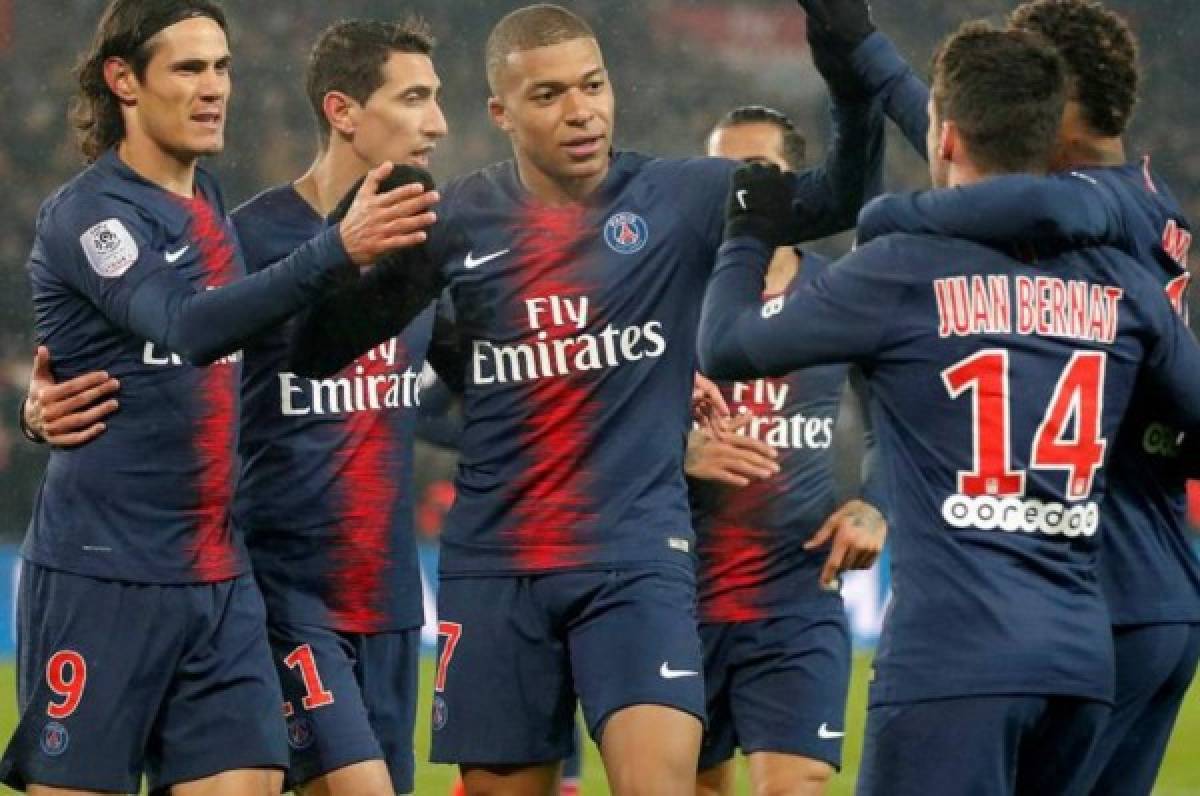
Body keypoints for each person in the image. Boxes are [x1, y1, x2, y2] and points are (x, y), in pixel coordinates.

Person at [292, 4, 883, 793]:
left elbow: (839, 197)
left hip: (636, 561)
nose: (581, 111)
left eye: (593, 85)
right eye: (548, 95)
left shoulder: (685, 194)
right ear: (501, 112)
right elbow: (319, 350)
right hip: (497, 566)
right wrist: (347, 245)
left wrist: (847, 67)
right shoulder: (456, 220)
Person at [698, 23, 1200, 796]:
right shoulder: (1117, 275)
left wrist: (747, 232)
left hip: (954, 648)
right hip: (1078, 656)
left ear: (946, 135)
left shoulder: (901, 269)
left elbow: (728, 344)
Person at [0, 2, 437, 794]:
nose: (215, 88)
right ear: (123, 80)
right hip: (106, 569)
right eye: (189, 68)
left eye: (222, 67)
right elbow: (186, 325)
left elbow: (264, 354)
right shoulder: (92, 214)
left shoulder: (209, 204)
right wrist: (336, 250)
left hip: (218, 575)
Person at [229, 19, 450, 796]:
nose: (437, 122)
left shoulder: (423, 241)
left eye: (436, 98)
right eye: (414, 98)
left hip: (389, 598)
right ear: (343, 111)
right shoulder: (249, 240)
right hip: (282, 591)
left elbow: (485, 386)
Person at [688, 105, 885, 796]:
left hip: (798, 596)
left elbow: (892, 421)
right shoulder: (666, 294)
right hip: (674, 600)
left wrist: (874, 503)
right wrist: (676, 450)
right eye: (721, 176)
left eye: (758, 173)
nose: (738, 192)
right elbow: (596, 426)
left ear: (798, 187)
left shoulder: (837, 293)